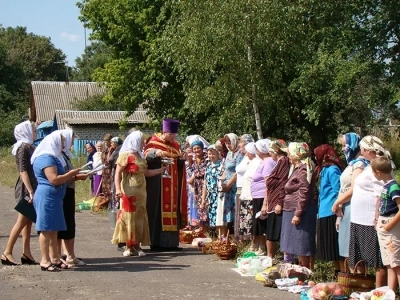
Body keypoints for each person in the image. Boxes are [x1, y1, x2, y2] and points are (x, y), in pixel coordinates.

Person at [31, 131, 80, 272]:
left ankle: (55, 258)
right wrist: (71, 173)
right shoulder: (45, 158)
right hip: (47, 196)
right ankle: (45, 260)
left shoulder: (54, 157)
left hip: (55, 197)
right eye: (62, 142)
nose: (64, 145)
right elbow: (53, 179)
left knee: (54, 229)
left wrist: (73, 177)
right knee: (46, 229)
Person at [112, 131, 166, 256]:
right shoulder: (125, 155)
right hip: (129, 190)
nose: (143, 143)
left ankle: (137, 246)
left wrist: (160, 170)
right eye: (142, 141)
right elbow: (117, 174)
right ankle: (128, 247)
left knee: (140, 218)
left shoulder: (140, 155)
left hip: (141, 192)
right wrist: (118, 190)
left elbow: (146, 173)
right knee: (128, 217)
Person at [348, 135, 391, 287]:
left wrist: (376, 217)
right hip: (359, 219)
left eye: (361, 148)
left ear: (367, 150)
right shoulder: (369, 165)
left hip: (369, 220)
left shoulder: (378, 166)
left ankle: (380, 290)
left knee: (376, 259)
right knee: (360, 256)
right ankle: (363, 287)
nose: (360, 151)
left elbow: (382, 193)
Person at [144, 119, 188, 251]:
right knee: (157, 212)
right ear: (164, 131)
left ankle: (171, 243)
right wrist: (155, 153)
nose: (173, 137)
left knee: (173, 212)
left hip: (173, 184)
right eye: (171, 134)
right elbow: (147, 156)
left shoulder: (175, 145)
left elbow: (178, 164)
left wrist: (181, 160)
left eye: (175, 135)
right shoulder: (153, 142)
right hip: (158, 185)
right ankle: (156, 242)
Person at [1, 121, 38, 266]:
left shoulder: (29, 146)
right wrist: (30, 190)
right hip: (25, 188)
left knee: (28, 221)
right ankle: (7, 252)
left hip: (31, 186)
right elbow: (23, 171)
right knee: (21, 221)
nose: (35, 132)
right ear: (26, 131)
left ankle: (26, 253)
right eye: (33, 130)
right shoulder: (22, 148)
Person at [331, 133, 367, 271]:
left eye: (345, 145)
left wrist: (336, 203)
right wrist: (339, 206)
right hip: (345, 208)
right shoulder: (351, 163)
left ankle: (359, 283)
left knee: (354, 250)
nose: (343, 148)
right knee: (346, 250)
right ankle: (351, 282)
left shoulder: (360, 164)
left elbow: (353, 188)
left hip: (353, 207)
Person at [280, 142, 317, 270]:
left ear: (296, 154)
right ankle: (292, 269)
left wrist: (298, 213)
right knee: (290, 243)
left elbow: (304, 191)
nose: (288, 156)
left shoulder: (303, 169)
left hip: (299, 210)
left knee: (301, 243)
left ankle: (305, 271)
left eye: (289, 153)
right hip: (290, 207)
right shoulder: (296, 168)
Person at [57, 130, 89, 266]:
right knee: (64, 224)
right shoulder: (57, 156)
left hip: (68, 190)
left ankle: (69, 255)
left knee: (69, 224)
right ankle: (62, 255)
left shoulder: (64, 155)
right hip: (63, 192)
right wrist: (76, 176)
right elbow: (61, 176)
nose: (71, 143)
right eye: (70, 140)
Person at [313, 144, 343, 275]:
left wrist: (338, 208)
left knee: (335, 246)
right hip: (323, 210)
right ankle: (337, 272)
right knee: (330, 247)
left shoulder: (333, 170)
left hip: (331, 210)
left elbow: (338, 190)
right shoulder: (323, 170)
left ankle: (343, 273)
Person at [373, 157, 400, 292]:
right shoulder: (386, 186)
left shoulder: (394, 186)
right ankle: (391, 293)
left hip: (391, 227)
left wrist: (389, 226)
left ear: (378, 172)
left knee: (396, 263)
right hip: (383, 227)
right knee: (389, 263)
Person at [263, 139, 290, 258]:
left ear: (277, 151)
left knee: (277, 231)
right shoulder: (279, 162)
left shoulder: (283, 161)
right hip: (273, 201)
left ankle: (284, 258)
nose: (270, 153)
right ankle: (270, 257)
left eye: (271, 151)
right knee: (271, 231)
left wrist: (280, 202)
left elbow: (283, 182)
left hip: (278, 201)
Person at [251, 139, 276, 255]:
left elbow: (268, 184)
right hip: (258, 196)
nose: (255, 151)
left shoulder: (268, 162)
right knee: (259, 224)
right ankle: (260, 247)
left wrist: (265, 203)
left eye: (257, 149)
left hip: (262, 197)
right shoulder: (264, 161)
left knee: (262, 225)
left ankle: (263, 249)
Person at [221, 133, 244, 236]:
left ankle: (237, 238)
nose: (227, 145)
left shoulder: (239, 154)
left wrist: (228, 185)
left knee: (235, 211)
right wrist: (221, 182)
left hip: (234, 187)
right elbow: (226, 169)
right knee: (228, 214)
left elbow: (237, 173)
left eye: (229, 143)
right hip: (227, 188)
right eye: (226, 143)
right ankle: (228, 238)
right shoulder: (229, 154)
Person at [239, 142, 262, 247]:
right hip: (246, 195)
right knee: (247, 222)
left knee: (252, 223)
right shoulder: (251, 162)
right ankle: (251, 245)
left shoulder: (258, 162)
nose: (246, 154)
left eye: (247, 152)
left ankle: (255, 245)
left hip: (252, 196)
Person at [234, 134, 254, 240]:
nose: (239, 145)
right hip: (240, 188)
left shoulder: (251, 158)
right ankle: (242, 241)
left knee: (247, 217)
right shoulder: (244, 157)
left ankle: (248, 241)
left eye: (241, 142)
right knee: (240, 216)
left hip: (247, 189)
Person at [200, 145, 224, 232]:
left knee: (219, 217)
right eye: (209, 154)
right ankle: (217, 238)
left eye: (213, 154)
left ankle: (221, 238)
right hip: (210, 196)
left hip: (219, 195)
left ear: (218, 154)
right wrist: (203, 199)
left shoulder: (221, 165)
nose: (211, 156)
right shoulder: (208, 166)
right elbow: (205, 182)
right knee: (213, 218)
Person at [188, 140, 207, 231]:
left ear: (202, 148)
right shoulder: (195, 161)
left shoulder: (206, 158)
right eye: (194, 149)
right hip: (198, 187)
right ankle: (202, 230)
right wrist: (195, 192)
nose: (196, 150)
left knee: (205, 207)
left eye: (198, 148)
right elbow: (195, 177)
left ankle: (207, 230)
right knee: (200, 209)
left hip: (206, 185)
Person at [108, 137, 123, 210]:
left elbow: (109, 160)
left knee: (115, 187)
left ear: (115, 143)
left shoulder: (118, 150)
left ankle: (115, 207)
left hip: (117, 170)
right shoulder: (120, 148)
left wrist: (110, 151)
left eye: (112, 143)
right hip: (118, 170)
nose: (111, 144)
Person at [101, 133, 114, 205]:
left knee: (110, 188)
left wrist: (110, 151)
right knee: (105, 188)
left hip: (111, 172)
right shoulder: (105, 150)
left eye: (107, 141)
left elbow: (110, 160)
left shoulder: (113, 150)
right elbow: (103, 160)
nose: (106, 143)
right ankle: (105, 202)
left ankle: (111, 203)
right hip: (105, 172)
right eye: (105, 141)